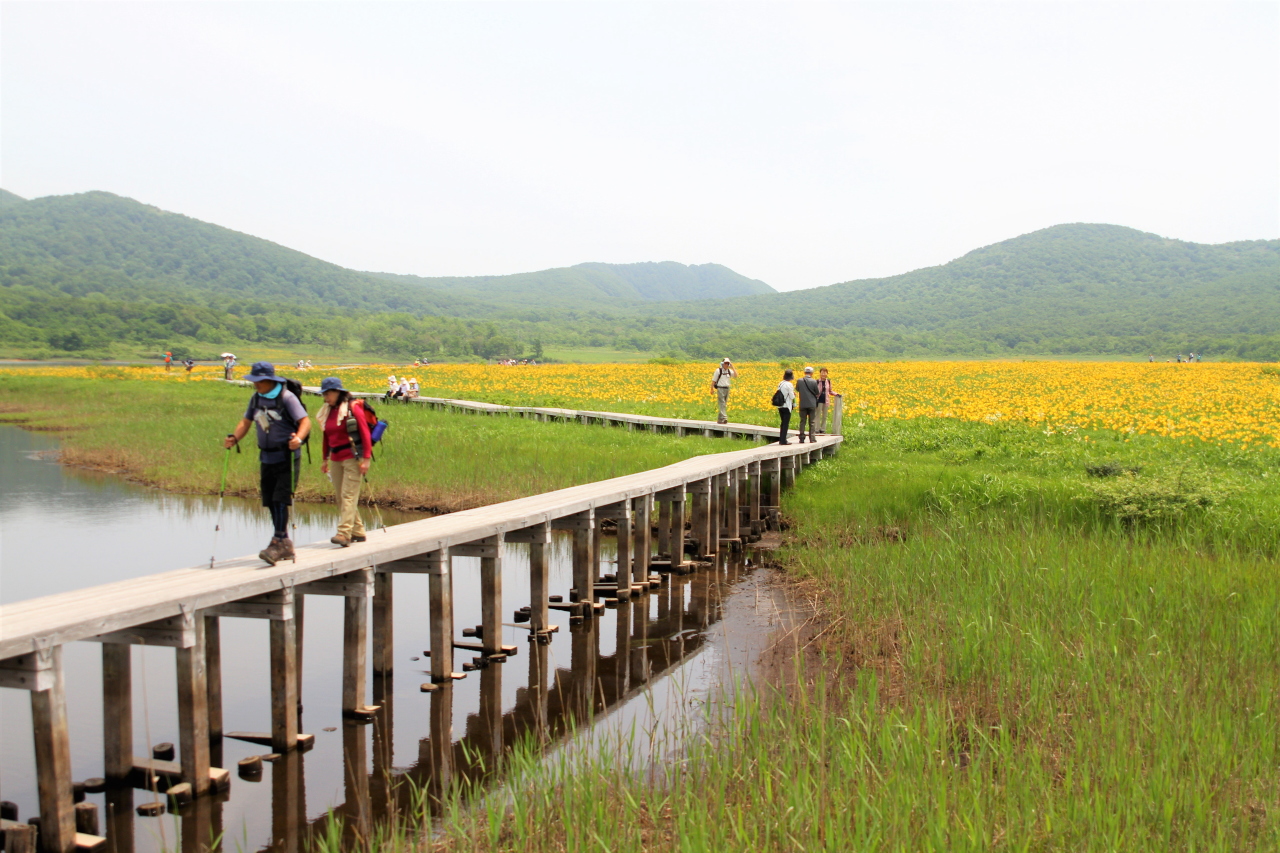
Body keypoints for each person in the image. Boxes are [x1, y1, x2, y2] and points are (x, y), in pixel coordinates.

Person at [224, 362, 311, 566]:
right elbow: (246, 422)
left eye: (258, 381)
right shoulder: (256, 399)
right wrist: (235, 438)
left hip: (286, 456)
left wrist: (297, 439)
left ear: (269, 380)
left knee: (281, 499)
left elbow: (305, 422)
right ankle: (283, 542)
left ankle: (278, 541)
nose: (255, 384)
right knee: (271, 500)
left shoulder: (287, 398)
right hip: (266, 456)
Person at [316, 377, 371, 547]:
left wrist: (366, 459)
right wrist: (324, 459)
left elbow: (364, 434)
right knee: (341, 497)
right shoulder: (327, 411)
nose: (326, 398)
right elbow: (327, 436)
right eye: (324, 394)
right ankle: (358, 531)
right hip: (335, 458)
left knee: (348, 495)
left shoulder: (352, 408)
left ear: (338, 392)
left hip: (352, 457)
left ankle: (344, 533)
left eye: (328, 394)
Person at [795, 367, 821, 443]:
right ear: (812, 373)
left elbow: (797, 389)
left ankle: (802, 438)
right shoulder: (814, 381)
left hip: (802, 404)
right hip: (812, 404)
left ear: (804, 373)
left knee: (802, 421)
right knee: (812, 422)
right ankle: (812, 439)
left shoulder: (799, 381)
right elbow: (817, 392)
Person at [710, 358, 737, 424]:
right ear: (722, 363)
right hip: (720, 388)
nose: (727, 365)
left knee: (724, 404)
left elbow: (736, 375)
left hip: (727, 388)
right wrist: (711, 389)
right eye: (725, 363)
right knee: (722, 403)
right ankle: (724, 418)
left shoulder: (729, 371)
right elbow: (714, 380)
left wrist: (732, 366)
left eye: (728, 363)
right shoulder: (718, 370)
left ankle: (720, 420)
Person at [815, 367, 839, 434]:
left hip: (826, 400)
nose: (823, 374)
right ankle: (817, 429)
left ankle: (823, 429)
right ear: (820, 373)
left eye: (825, 372)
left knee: (825, 416)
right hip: (818, 400)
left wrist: (836, 394)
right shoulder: (817, 381)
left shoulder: (828, 381)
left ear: (827, 374)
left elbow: (830, 391)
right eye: (822, 372)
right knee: (818, 415)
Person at [775, 369, 795, 444]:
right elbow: (792, 396)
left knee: (783, 423)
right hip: (787, 406)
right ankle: (783, 440)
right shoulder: (789, 384)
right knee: (785, 423)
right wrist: (793, 394)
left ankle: (781, 439)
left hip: (780, 406)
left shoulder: (781, 383)